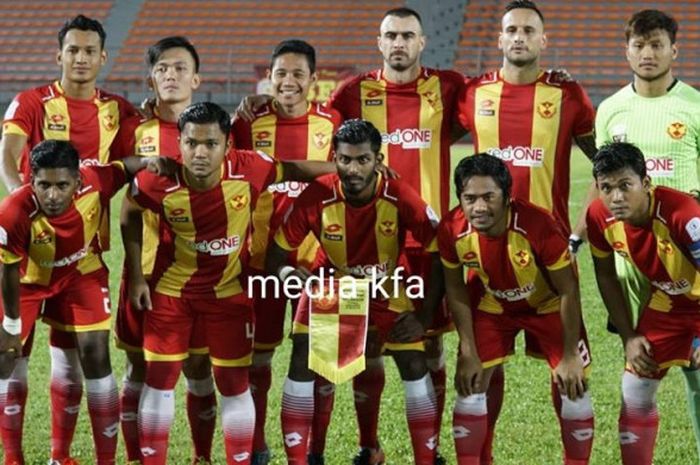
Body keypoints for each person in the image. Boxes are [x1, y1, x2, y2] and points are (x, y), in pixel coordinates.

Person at [121, 102, 337, 465]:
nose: (199, 152)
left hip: (228, 294)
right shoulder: (157, 180)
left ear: (227, 146)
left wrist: (343, 168)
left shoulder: (250, 168)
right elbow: (129, 211)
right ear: (180, 143)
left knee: (235, 385)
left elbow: (297, 169)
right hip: (173, 294)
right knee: (160, 382)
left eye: (210, 144)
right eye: (191, 143)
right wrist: (137, 275)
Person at [455, 2, 597, 461]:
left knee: (573, 379)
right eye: (511, 29)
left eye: (528, 30)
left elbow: (607, 167)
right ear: (499, 39)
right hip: (486, 262)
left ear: (543, 40)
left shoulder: (568, 94)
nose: (518, 37)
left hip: (550, 265)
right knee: (478, 376)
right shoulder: (471, 94)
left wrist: (578, 231)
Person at [0, 14, 139, 464]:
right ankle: (15, 458)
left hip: (83, 257)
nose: (80, 58)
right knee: (10, 356)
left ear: (103, 56)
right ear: (59, 54)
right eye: (72, 50)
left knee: (77, 353)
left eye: (89, 51)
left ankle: (65, 456)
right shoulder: (32, 101)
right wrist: (27, 205)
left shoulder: (118, 110)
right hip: (26, 258)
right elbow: (9, 155)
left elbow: (149, 148)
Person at [266, 119, 443, 465]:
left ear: (378, 160)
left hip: (386, 282)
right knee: (304, 355)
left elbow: (439, 251)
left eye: (363, 160)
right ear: (335, 157)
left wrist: (423, 316)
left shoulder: (399, 194)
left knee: (413, 358)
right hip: (333, 281)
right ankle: (301, 460)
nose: (353, 168)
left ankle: (426, 459)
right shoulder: (317, 194)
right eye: (345, 159)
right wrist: (289, 273)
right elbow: (276, 254)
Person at [0, 140, 170, 465]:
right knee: (6, 358)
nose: (52, 195)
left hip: (81, 274)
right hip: (26, 282)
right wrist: (10, 326)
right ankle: (12, 458)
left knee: (95, 355)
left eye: (62, 185)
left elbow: (124, 167)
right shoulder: (13, 211)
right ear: (30, 180)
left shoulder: (96, 180)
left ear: (77, 181)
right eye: (43, 185)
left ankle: (79, 458)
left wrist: (152, 160)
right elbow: (6, 272)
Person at [107, 36, 221, 465]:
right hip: (148, 271)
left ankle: (201, 456)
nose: (170, 75)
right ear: (151, 78)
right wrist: (134, 273)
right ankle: (138, 458)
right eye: (161, 69)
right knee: (139, 367)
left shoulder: (215, 127)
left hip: (203, 274)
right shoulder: (134, 130)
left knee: (198, 368)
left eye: (179, 67)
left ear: (196, 77)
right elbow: (117, 190)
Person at [438, 153, 593, 465]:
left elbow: (568, 289)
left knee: (575, 389)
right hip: (493, 304)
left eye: (488, 197)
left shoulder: (539, 225)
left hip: (548, 305)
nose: (478, 207)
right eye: (469, 198)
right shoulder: (451, 230)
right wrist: (467, 349)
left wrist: (569, 355)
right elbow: (455, 289)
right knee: (471, 384)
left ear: (507, 197)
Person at [230, 39, 341, 465]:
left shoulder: (332, 122)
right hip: (260, 258)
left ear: (314, 80)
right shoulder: (247, 123)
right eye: (281, 73)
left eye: (298, 74)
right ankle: (257, 446)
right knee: (259, 355)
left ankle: (317, 450)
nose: (288, 81)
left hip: (322, 262)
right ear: (268, 77)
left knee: (324, 356)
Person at [594, 10, 700, 454]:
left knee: (697, 370)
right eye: (639, 45)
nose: (648, 53)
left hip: (689, 252)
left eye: (657, 44)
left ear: (674, 50)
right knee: (638, 356)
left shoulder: (694, 107)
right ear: (627, 51)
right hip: (632, 263)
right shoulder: (611, 109)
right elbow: (606, 178)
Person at [586, 142, 700, 465]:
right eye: (606, 188)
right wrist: (629, 337)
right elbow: (606, 276)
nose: (616, 197)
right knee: (634, 386)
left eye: (626, 185)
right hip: (666, 305)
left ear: (646, 184)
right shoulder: (598, 217)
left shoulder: (684, 214)